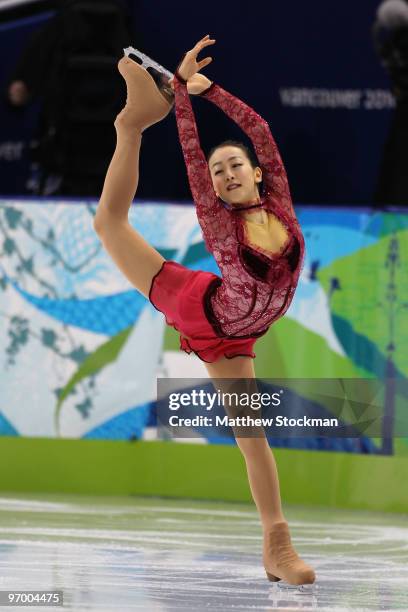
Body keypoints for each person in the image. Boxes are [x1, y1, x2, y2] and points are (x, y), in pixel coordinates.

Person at [93, 35, 315, 586]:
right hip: (200, 311)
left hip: (241, 336)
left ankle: (276, 547)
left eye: (235, 165)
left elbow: (260, 129)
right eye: (219, 173)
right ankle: (131, 126)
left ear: (257, 172)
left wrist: (208, 88)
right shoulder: (219, 223)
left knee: (252, 439)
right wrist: (180, 98)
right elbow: (192, 152)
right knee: (109, 225)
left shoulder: (279, 202)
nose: (227, 174)